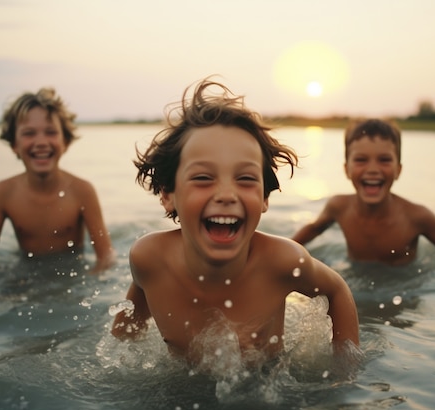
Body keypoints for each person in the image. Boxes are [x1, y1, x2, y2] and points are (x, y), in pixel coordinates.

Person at [111, 79, 359, 366]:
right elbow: (127, 331)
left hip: (264, 384)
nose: (227, 195)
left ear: (265, 197)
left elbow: (337, 290)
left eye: (245, 179)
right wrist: (121, 359)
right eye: (203, 178)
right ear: (168, 195)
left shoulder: (282, 262)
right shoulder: (149, 258)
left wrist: (345, 367)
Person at [0, 88, 115, 286]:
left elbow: (106, 256)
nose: (41, 142)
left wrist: (94, 280)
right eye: (29, 133)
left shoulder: (82, 191)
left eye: (51, 132)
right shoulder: (2, 193)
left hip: (72, 275)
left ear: (65, 141)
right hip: (26, 274)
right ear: (14, 144)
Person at [291, 118, 435, 265]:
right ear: (347, 169)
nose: (373, 169)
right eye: (361, 160)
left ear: (398, 169)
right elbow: (313, 230)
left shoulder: (417, 217)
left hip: (403, 290)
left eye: (384, 160)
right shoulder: (339, 207)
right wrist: (284, 252)